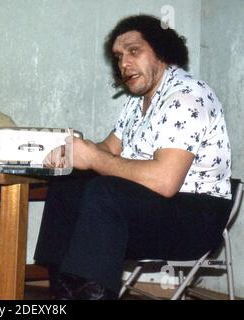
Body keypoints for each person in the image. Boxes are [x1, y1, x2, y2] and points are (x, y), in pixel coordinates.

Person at [34, 14, 232, 300]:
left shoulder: (187, 95)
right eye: (118, 57)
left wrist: (93, 159)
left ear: (161, 51)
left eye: (134, 51)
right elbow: (108, 150)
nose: (124, 64)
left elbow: (165, 181)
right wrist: (75, 150)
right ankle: (65, 289)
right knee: (69, 183)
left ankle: (94, 294)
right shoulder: (136, 102)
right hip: (146, 205)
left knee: (105, 191)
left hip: (195, 218)